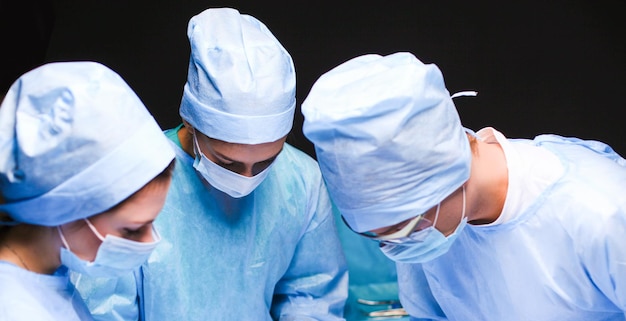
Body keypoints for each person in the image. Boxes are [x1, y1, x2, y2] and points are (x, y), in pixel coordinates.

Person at [300, 52, 626, 320]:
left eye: (401, 229)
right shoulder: (435, 229)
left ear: (441, 180)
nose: (396, 247)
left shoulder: (600, 212)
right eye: (379, 235)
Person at [77, 7, 348, 321]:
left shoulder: (301, 181)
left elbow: (311, 296)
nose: (247, 179)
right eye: (228, 163)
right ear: (190, 122)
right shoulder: (130, 180)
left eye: (265, 163)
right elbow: (103, 307)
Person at [0, 61, 175, 320]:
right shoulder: (14, 308)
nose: (151, 242)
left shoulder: (48, 277)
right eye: (132, 229)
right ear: (62, 209)